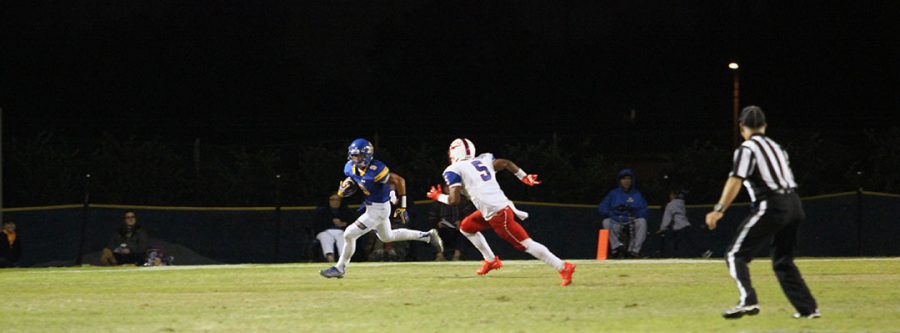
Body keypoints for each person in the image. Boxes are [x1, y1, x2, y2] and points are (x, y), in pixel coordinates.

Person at [706, 106, 819, 319]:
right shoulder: (778, 148)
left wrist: (719, 210)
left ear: (741, 127)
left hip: (772, 203)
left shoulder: (747, 148)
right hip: (795, 203)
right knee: (783, 260)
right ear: (765, 126)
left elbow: (736, 179)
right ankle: (808, 309)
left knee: (734, 254)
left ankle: (748, 300)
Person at [426, 138, 576, 286]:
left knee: (526, 244)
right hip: (496, 208)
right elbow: (505, 163)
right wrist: (524, 177)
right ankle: (491, 261)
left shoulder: (454, 169)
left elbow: (454, 200)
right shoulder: (483, 159)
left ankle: (563, 267)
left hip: (497, 213)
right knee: (466, 227)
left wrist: (437, 196)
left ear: (453, 153)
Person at [320, 138, 444, 278]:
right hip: (371, 207)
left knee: (349, 234)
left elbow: (399, 181)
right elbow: (353, 180)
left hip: (379, 209)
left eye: (358, 155)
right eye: (353, 155)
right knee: (387, 237)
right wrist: (344, 188)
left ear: (367, 155)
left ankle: (340, 268)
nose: (355, 158)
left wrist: (402, 206)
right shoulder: (350, 167)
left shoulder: (376, 169)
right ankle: (427, 236)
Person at [598, 169, 649, 258]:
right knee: (606, 221)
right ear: (620, 181)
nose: (626, 181)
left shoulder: (636, 194)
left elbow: (644, 209)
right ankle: (617, 247)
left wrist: (634, 212)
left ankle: (634, 251)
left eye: (628, 179)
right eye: (623, 179)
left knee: (642, 222)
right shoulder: (613, 193)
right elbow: (602, 207)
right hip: (617, 220)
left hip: (631, 220)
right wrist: (613, 212)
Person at [656, 190, 711, 258]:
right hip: (683, 225)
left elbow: (667, 218)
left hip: (680, 227)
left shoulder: (670, 205)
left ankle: (704, 251)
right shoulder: (681, 203)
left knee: (687, 242)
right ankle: (674, 255)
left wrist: (662, 228)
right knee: (678, 242)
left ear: (673, 196)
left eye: (671, 195)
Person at [427, 196, 476, 261]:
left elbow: (469, 215)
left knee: (464, 231)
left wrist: (461, 221)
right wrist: (437, 223)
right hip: (442, 228)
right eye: (446, 187)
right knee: (433, 233)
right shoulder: (438, 201)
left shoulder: (463, 200)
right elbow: (432, 217)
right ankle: (440, 256)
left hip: (459, 228)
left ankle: (457, 256)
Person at [313, 192, 354, 262]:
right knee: (325, 237)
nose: (335, 202)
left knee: (344, 237)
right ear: (329, 201)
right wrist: (330, 222)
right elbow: (316, 225)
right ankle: (330, 258)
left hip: (341, 231)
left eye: (337, 200)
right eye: (332, 199)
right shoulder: (321, 211)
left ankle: (343, 260)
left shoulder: (345, 210)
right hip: (325, 231)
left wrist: (343, 224)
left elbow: (351, 223)